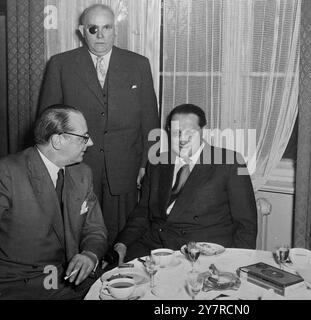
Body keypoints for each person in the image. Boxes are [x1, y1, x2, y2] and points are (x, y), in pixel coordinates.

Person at [39, 4, 159, 246]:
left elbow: (150, 120)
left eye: (107, 28)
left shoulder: (138, 64)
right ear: (82, 30)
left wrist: (149, 164)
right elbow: (47, 123)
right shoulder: (61, 65)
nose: (101, 35)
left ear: (115, 30)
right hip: (77, 167)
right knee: (79, 233)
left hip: (125, 169)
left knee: (122, 238)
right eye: (94, 29)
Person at [106, 104, 258, 264]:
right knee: (115, 280)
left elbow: (246, 224)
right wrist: (122, 244)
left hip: (201, 253)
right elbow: (143, 212)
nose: (183, 139)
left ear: (202, 131)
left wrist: (239, 263)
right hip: (155, 246)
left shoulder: (229, 162)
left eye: (190, 132)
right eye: (176, 132)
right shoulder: (157, 163)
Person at [0, 105, 108, 299]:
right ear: (58, 140)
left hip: (71, 278)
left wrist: (89, 255)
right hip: (21, 284)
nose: (90, 142)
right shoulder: (8, 173)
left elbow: (95, 230)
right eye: (83, 137)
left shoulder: (82, 173)